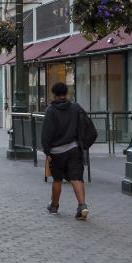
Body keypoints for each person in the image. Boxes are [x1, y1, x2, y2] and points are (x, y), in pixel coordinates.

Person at [40, 82, 90, 220]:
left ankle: (54, 206)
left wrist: (47, 150)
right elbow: (86, 124)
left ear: (54, 94)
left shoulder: (51, 110)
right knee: (76, 178)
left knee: (57, 179)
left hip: (56, 151)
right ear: (66, 93)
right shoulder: (75, 108)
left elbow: (46, 133)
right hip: (74, 148)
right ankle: (82, 206)